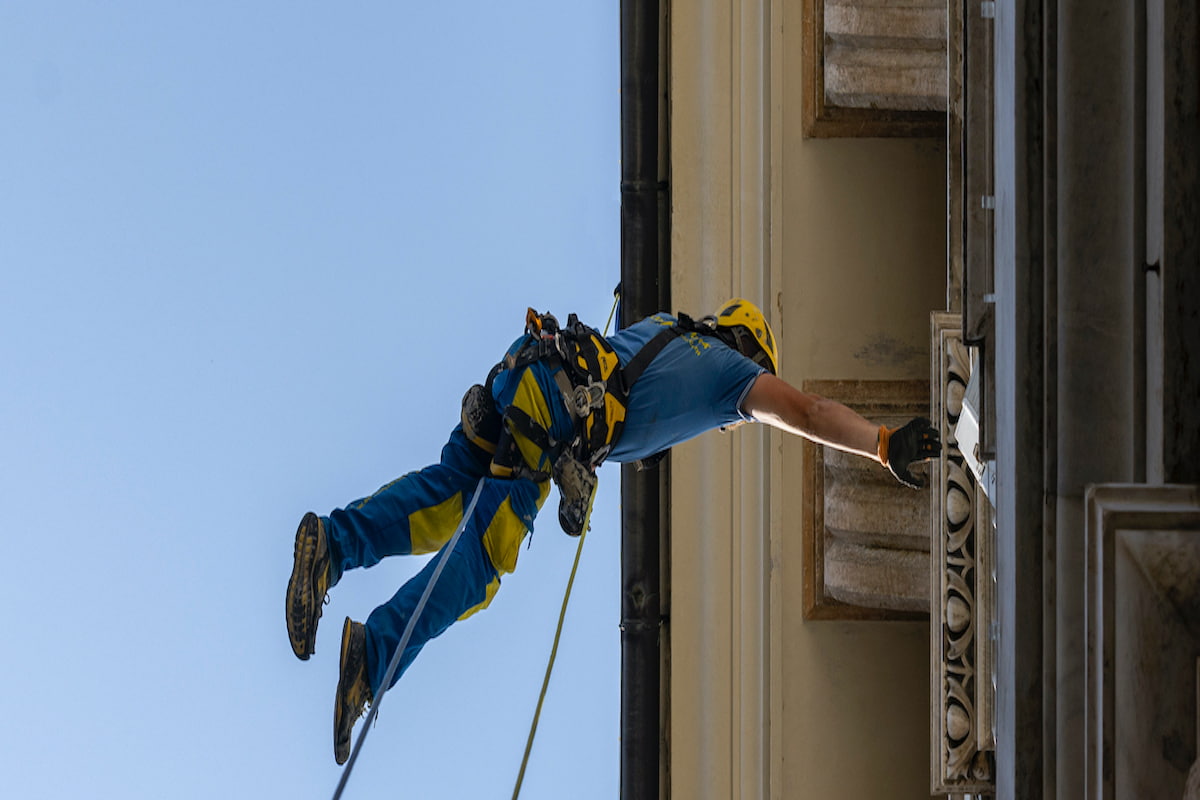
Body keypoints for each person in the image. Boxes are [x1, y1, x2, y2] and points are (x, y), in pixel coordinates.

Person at [285, 298, 940, 764]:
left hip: (526, 376)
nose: (735, 420)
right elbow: (807, 409)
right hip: (550, 414)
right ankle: (372, 657)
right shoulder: (731, 375)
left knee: (447, 497)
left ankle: (331, 547)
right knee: (481, 562)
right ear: (749, 349)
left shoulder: (663, 330)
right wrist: (882, 444)